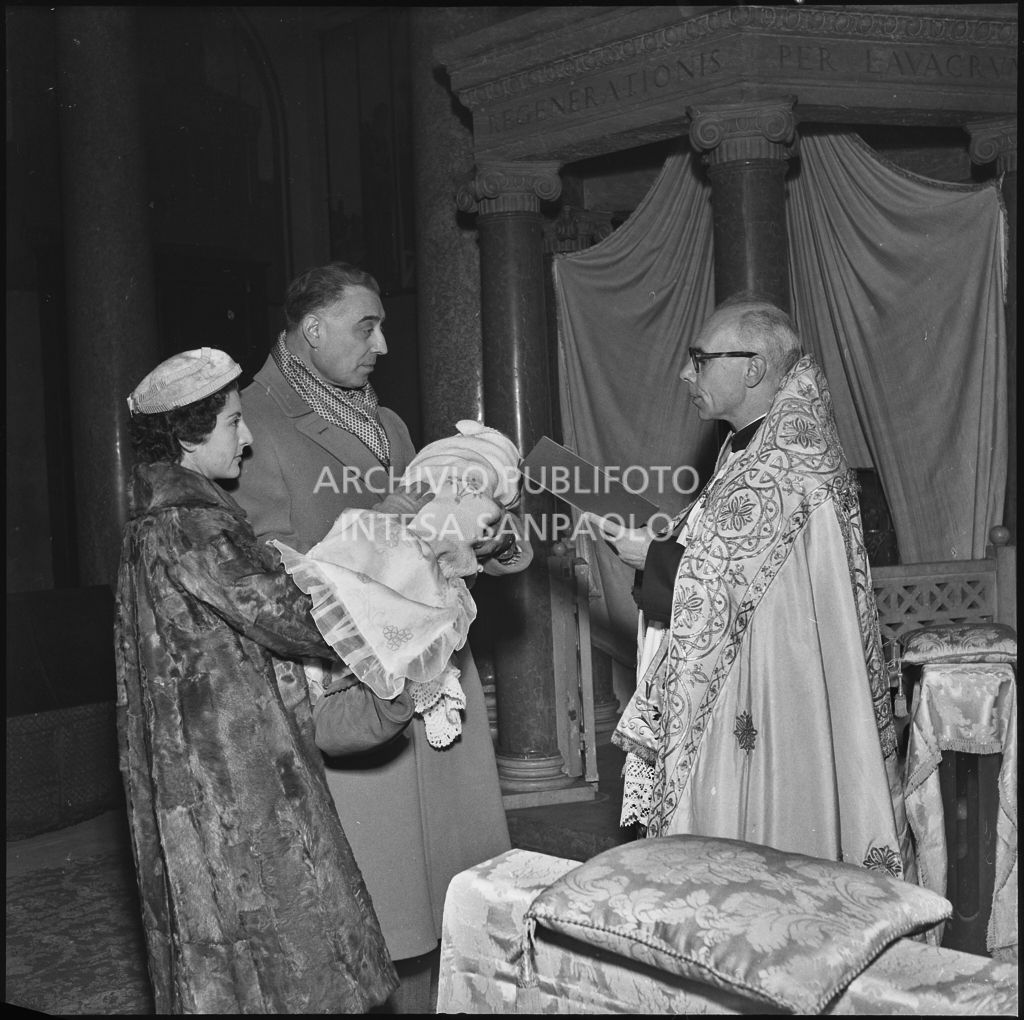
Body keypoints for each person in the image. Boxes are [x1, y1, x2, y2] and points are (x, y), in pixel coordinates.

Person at [233, 263, 514, 1013]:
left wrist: (475, 539)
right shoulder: (254, 421)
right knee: (381, 898)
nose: (383, 344)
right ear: (312, 328)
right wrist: (390, 537)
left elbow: (434, 529)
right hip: (355, 674)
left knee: (448, 884)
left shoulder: (385, 422)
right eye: (367, 326)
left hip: (429, 663)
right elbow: (266, 571)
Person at [116, 347, 416, 1013]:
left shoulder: (156, 520)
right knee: (285, 933)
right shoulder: (194, 523)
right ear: (188, 434)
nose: (246, 438)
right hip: (234, 764)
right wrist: (404, 587)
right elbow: (297, 620)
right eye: (230, 423)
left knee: (222, 932)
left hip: (192, 761)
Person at [589, 297, 914, 880]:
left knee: (769, 845)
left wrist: (655, 557)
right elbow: (734, 559)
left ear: (754, 368)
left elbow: (736, 581)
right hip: (747, 680)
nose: (686, 373)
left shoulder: (789, 458)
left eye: (700, 359)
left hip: (780, 688)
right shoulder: (752, 444)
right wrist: (665, 549)